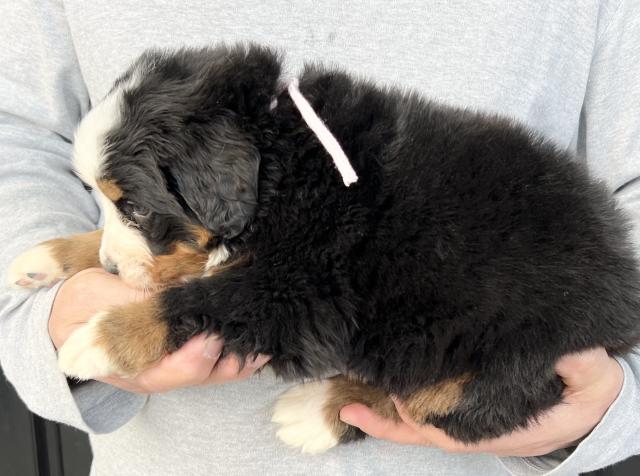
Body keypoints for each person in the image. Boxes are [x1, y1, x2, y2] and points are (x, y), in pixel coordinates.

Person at [0, 1, 638, 474]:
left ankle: (371, 402)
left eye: (129, 213)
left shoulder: (287, 185)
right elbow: (19, 131)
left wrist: (614, 404)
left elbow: (286, 300)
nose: (113, 249)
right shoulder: (265, 152)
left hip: (496, 337)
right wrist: (52, 307)